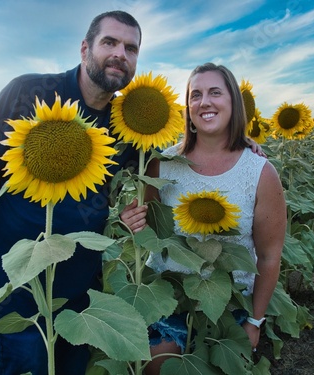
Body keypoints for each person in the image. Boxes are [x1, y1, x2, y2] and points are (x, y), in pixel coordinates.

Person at [0, 11, 142, 375]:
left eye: (131, 47)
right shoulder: (28, 92)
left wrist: (236, 139)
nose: (121, 53)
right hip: (18, 287)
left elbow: (157, 163)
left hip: (83, 294)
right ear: (85, 48)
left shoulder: (127, 122)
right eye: (110, 42)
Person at [120, 62, 286, 374]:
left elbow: (268, 255)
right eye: (195, 95)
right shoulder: (162, 164)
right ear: (187, 107)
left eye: (214, 92)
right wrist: (130, 222)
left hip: (230, 307)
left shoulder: (259, 172)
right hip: (168, 300)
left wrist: (255, 321)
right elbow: (144, 222)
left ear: (233, 103)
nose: (204, 102)